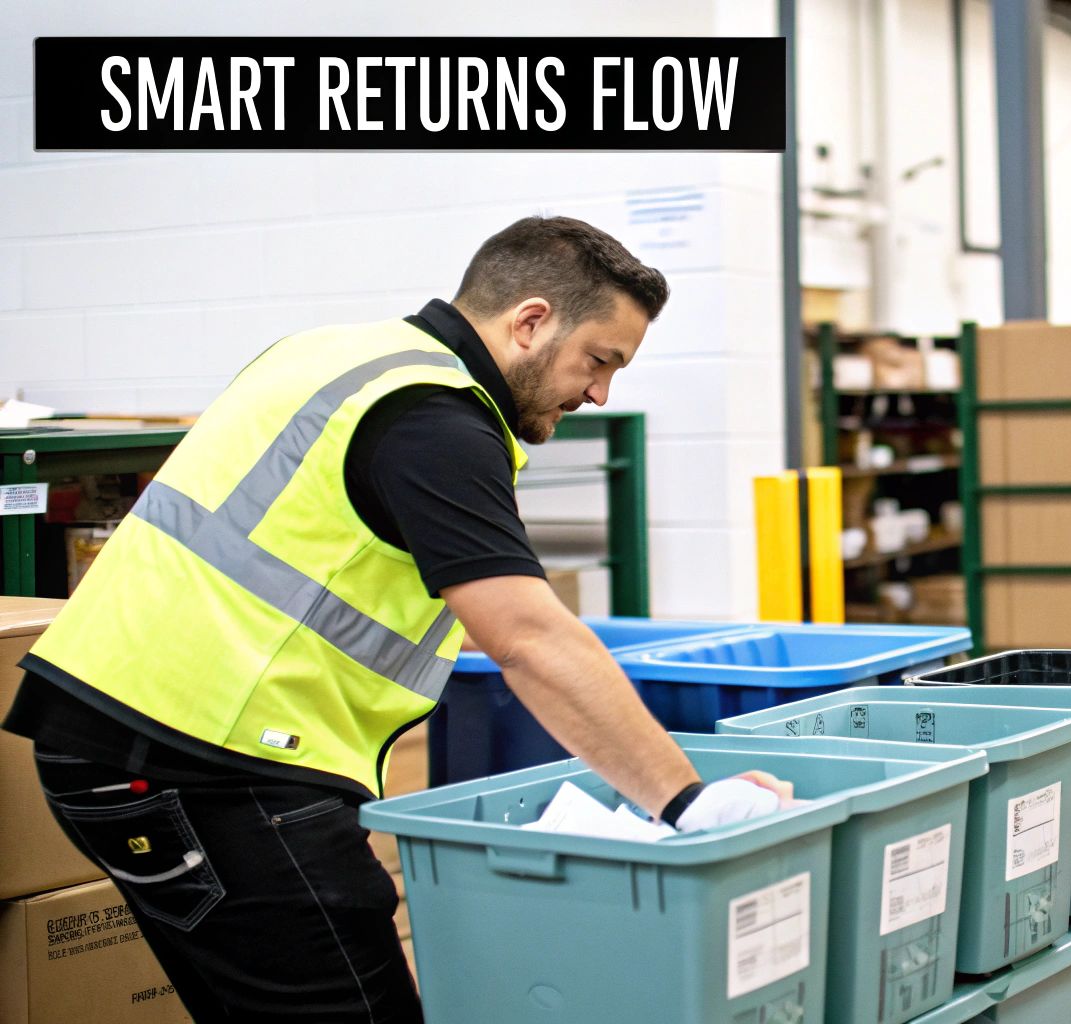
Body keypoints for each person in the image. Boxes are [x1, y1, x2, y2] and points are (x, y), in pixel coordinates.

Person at [3, 216, 789, 1023]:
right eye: (600, 361)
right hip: (206, 760)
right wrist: (687, 802)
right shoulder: (431, 419)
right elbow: (525, 636)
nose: (599, 395)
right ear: (530, 322)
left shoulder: (340, 354)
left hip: (136, 736)